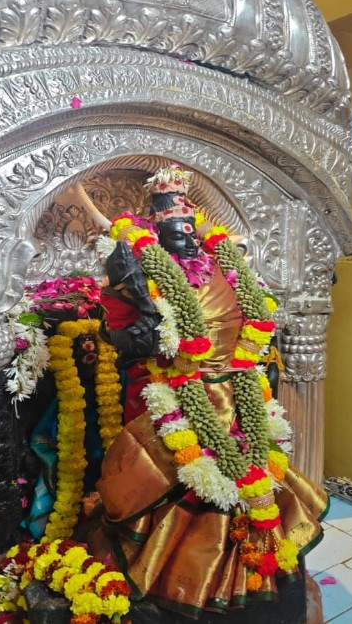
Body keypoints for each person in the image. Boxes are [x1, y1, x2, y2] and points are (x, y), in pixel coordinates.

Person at [83, 164, 326, 618]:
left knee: (256, 470)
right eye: (168, 218)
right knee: (183, 482)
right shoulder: (135, 261)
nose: (181, 227)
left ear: (196, 219)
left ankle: (261, 560)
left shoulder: (224, 260)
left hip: (237, 391)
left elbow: (255, 322)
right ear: (153, 223)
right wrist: (146, 335)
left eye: (185, 217)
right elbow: (115, 332)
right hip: (178, 394)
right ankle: (182, 577)